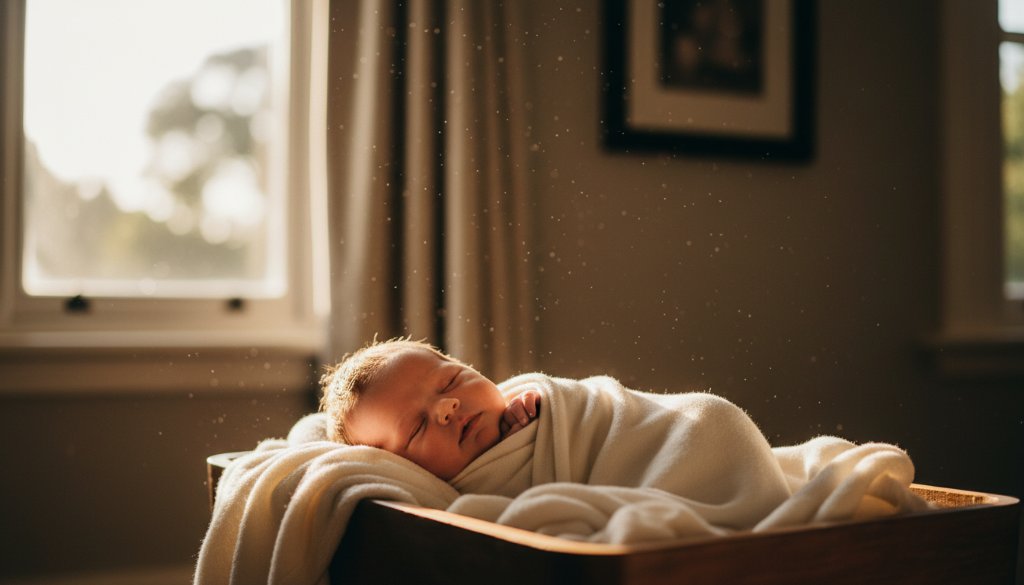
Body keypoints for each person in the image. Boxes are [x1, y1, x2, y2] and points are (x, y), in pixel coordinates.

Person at [319, 338, 541, 481]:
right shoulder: (457, 507)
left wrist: (538, 416)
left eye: (450, 382)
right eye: (417, 428)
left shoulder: (529, 403)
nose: (447, 407)